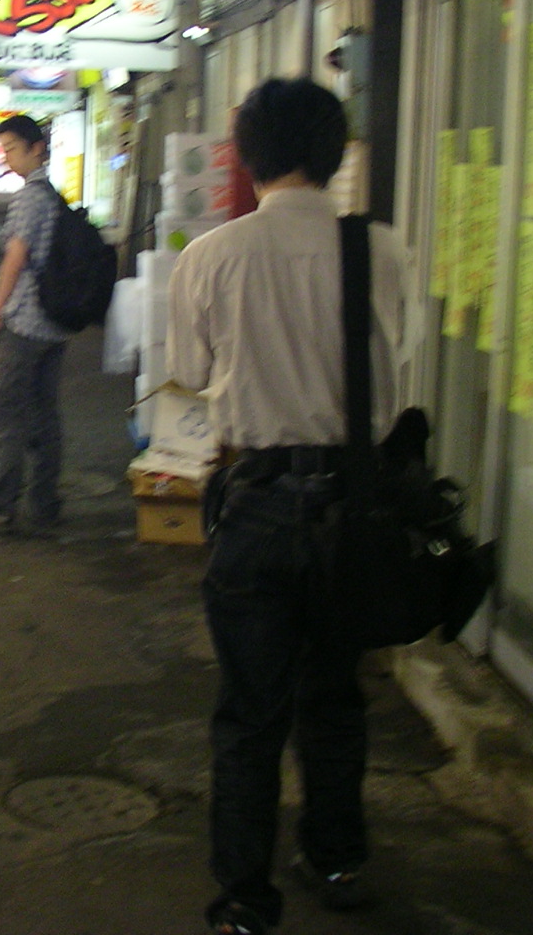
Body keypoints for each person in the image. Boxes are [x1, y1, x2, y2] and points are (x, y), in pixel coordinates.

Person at [166, 78, 419, 935]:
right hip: (356, 510)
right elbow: (403, 367)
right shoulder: (383, 251)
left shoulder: (212, 255)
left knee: (250, 713)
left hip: (259, 506)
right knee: (335, 695)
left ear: (246, 158)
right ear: (337, 153)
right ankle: (337, 858)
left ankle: (245, 900)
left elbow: (190, 377)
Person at [0, 114, 72, 532]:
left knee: (6, 415)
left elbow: (14, 260)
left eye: (12, 148)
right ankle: (45, 503)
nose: (7, 157)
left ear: (36, 149)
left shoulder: (30, 197)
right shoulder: (53, 196)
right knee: (44, 414)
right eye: (4, 149)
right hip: (54, 324)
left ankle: (1, 505)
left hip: (24, 323)